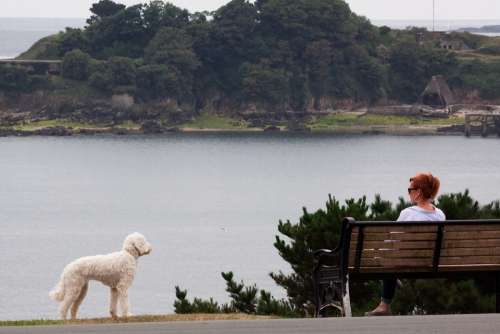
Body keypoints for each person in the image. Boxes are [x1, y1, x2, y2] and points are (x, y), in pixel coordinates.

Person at [365, 172, 445, 316]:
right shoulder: (440, 214)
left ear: (419, 192)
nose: (408, 193)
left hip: (407, 262)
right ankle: (394, 279)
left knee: (385, 258)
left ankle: (384, 305)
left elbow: (393, 240)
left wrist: (379, 250)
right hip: (431, 262)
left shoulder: (408, 213)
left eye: (410, 190)